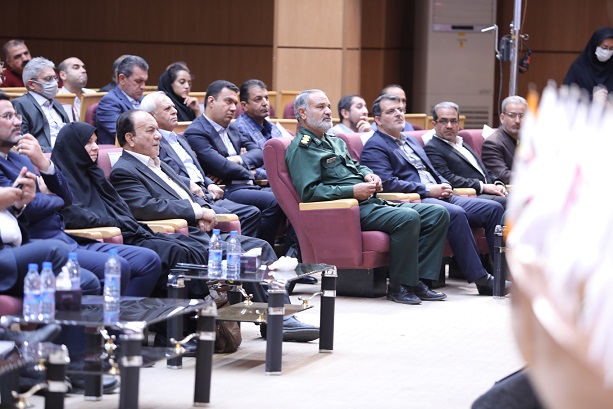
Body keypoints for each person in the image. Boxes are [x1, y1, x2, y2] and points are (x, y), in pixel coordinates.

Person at [109, 109, 319, 341]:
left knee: (261, 247)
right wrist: (196, 212)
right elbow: (145, 207)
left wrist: (204, 209)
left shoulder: (159, 163)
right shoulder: (124, 170)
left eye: (157, 130)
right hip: (179, 238)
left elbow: (190, 195)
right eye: (150, 131)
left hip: (202, 231)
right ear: (130, 138)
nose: (158, 136)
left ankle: (280, 317)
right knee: (246, 255)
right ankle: (277, 321)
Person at [286, 89, 450, 305]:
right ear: (303, 113)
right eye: (320, 107)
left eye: (328, 106)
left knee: (437, 213)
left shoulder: (334, 141)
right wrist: (352, 192)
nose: (328, 111)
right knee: (408, 217)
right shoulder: (302, 148)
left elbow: (354, 166)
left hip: (369, 202)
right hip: (346, 211)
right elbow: (310, 193)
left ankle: (418, 280)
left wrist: (368, 175)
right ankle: (399, 286)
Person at [0, 96, 161, 297]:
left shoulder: (20, 159)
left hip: (64, 238)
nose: (17, 121)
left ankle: (125, 316)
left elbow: (65, 198)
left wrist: (44, 163)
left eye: (16, 115)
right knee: (116, 267)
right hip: (39, 243)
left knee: (148, 260)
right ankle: (111, 317)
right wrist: (53, 199)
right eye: (7, 116)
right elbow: (27, 205)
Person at [360, 94, 508, 295]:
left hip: (440, 193)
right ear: (377, 119)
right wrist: (429, 190)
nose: (399, 114)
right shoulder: (375, 145)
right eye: (391, 111)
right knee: (455, 213)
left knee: (494, 209)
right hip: (416, 198)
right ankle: (481, 279)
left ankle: (501, 273)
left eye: (400, 110)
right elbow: (386, 183)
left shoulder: (411, 141)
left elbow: (430, 171)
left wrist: (444, 184)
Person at [140, 91, 262, 237]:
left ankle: (236, 247)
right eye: (167, 109)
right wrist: (189, 183)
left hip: (207, 193)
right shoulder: (153, 144)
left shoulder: (180, 138)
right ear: (152, 116)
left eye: (173, 107)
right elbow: (160, 173)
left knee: (252, 212)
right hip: (187, 198)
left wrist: (209, 183)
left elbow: (196, 170)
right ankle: (230, 248)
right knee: (246, 213)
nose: (175, 111)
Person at [184, 80, 285, 248]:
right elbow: (222, 168)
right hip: (227, 189)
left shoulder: (232, 128)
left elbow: (260, 152)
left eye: (235, 103)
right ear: (211, 101)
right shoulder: (197, 131)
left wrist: (237, 160)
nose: (233, 108)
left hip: (246, 185)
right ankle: (263, 250)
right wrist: (250, 172)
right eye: (228, 101)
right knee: (274, 201)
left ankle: (278, 250)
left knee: (288, 194)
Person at [424, 101, 508, 207]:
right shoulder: (432, 148)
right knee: (512, 202)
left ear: (458, 124)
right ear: (434, 124)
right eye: (443, 121)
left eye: (453, 121)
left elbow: (483, 169)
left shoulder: (462, 143)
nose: (449, 126)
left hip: (487, 192)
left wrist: (497, 183)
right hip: (469, 195)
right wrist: (483, 187)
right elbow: (447, 178)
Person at [11, 57, 69, 152]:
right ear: (32, 84)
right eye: (48, 79)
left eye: (55, 78)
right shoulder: (20, 104)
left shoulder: (57, 105)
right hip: (44, 155)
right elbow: (21, 141)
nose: (54, 83)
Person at [233, 79, 283, 180]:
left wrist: (257, 171)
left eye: (266, 98)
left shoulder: (274, 128)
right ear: (244, 106)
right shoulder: (239, 129)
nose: (265, 103)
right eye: (258, 99)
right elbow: (249, 168)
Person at [96, 55, 149, 144]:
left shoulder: (145, 100)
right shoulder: (109, 102)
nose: (143, 87)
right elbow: (125, 136)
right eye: (138, 81)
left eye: (145, 82)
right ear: (122, 79)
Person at [481, 96, 528, 184]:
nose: (517, 121)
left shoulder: (529, 141)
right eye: (512, 115)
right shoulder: (492, 144)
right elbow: (504, 176)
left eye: (522, 116)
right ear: (502, 118)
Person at [563, 27, 613, 95]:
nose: (607, 51)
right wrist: (591, 98)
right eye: (604, 47)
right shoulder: (578, 69)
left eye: (611, 48)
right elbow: (566, 94)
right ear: (594, 45)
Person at [57, 57, 96, 121]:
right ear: (63, 75)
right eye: (76, 67)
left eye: (83, 67)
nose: (84, 71)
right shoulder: (57, 99)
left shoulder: (93, 95)